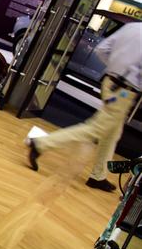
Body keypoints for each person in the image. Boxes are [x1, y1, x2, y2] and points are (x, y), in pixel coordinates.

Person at [27, 21, 142, 191]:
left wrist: (114, 69)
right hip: (124, 92)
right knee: (95, 129)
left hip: (111, 83)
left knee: (112, 133)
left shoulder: (132, 27)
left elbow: (101, 49)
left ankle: (99, 176)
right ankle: (42, 143)